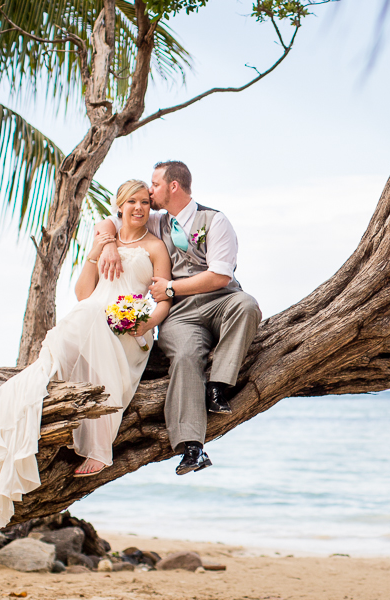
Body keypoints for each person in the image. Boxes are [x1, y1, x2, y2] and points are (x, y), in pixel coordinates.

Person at [0, 180, 172, 529]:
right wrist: (98, 250)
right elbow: (83, 292)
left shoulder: (155, 247)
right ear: (119, 205)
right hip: (92, 315)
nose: (139, 208)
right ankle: (35, 393)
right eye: (131, 201)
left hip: (129, 330)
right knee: (81, 319)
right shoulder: (102, 240)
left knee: (90, 316)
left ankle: (99, 446)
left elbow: (164, 298)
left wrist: (146, 323)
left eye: (144, 202)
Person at [95, 161, 261, 475]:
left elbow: (221, 276)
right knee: (185, 356)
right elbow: (108, 220)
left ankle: (218, 385)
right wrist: (107, 246)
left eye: (154, 185)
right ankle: (192, 448)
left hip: (221, 300)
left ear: (173, 186)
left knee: (247, 305)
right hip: (181, 314)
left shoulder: (214, 221)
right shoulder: (157, 221)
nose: (149, 191)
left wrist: (171, 287)